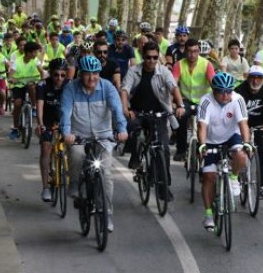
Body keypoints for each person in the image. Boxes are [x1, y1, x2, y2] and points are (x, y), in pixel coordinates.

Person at [59, 55, 128, 232]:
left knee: (106, 174)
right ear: (80, 74)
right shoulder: (71, 89)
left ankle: (107, 215)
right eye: (88, 74)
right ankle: (74, 183)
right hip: (78, 136)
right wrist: (66, 133)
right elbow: (65, 113)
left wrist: (121, 130)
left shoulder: (107, 87)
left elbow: (117, 110)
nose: (92, 78)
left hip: (103, 137)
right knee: (77, 154)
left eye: (95, 73)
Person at [120, 41, 185, 200]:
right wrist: (125, 109)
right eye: (148, 57)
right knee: (133, 130)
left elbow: (173, 87)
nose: (151, 61)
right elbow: (124, 90)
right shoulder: (133, 71)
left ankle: (164, 187)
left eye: (155, 57)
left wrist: (180, 105)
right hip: (137, 113)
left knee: (163, 149)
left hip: (159, 115)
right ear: (143, 56)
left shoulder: (163, 71)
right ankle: (135, 157)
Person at [197, 72, 252, 230]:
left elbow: (243, 124)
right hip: (210, 139)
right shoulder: (206, 101)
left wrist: (247, 143)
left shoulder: (237, 99)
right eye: (221, 91)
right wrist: (202, 145)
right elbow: (202, 126)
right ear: (214, 90)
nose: (225, 95)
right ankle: (208, 214)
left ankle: (234, 178)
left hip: (231, 136)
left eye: (229, 91)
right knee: (209, 176)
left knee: (241, 154)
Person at [234, 66, 263, 199]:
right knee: (237, 152)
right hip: (242, 126)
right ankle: (234, 179)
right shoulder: (239, 91)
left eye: (259, 78)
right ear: (248, 78)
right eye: (252, 77)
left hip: (261, 127)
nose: (255, 81)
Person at [171, 38, 216, 161]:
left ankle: (206, 148)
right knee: (180, 116)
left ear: (199, 51)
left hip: (205, 100)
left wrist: (217, 102)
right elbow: (173, 85)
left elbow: (214, 84)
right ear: (185, 51)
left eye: (195, 51)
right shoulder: (178, 64)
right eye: (190, 51)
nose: (193, 54)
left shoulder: (207, 64)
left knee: (207, 122)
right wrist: (177, 104)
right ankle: (181, 150)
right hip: (186, 100)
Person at [36, 58, 70, 202]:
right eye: (56, 75)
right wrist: (41, 124)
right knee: (45, 147)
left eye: (63, 75)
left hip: (64, 120)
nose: (59, 79)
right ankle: (45, 188)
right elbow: (40, 106)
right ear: (50, 74)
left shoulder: (70, 85)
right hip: (48, 120)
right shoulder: (43, 85)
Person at [8, 42, 45, 140]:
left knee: (31, 86)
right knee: (17, 103)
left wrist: (43, 77)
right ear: (29, 53)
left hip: (31, 83)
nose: (37, 54)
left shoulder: (35, 60)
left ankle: (33, 107)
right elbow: (11, 74)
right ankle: (15, 127)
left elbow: (42, 71)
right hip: (18, 85)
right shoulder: (17, 61)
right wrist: (12, 79)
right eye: (35, 52)